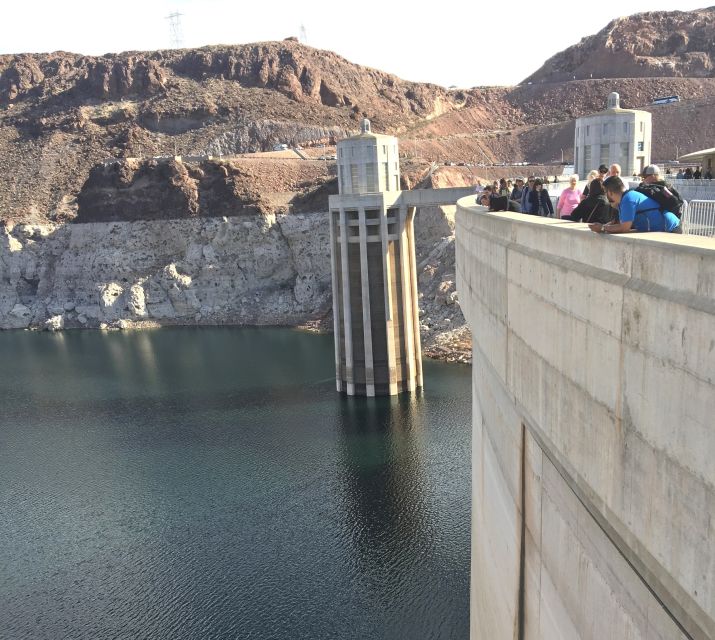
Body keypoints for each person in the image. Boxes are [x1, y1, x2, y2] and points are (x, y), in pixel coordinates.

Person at [589, 176, 681, 234]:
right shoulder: (625, 199)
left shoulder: (628, 199)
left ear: (610, 192)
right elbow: (619, 224)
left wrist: (602, 228)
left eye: (605, 192)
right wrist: (604, 226)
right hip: (664, 228)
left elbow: (624, 228)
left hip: (671, 228)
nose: (605, 195)